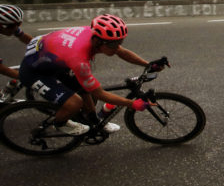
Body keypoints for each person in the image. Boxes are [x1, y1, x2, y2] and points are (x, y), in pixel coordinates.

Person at [19, 14, 160, 135]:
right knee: (75, 103)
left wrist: (148, 64)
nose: (117, 47)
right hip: (33, 71)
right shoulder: (79, 60)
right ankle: (59, 124)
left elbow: (121, 52)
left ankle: (93, 120)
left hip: (54, 59)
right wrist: (132, 103)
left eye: (120, 41)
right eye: (112, 44)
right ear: (97, 41)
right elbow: (100, 94)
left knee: (87, 92)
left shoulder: (95, 34)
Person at [0, 4, 33, 80]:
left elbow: (26, 38)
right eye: (12, 26)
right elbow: (2, 69)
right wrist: (28, 79)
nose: (15, 28)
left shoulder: (9, 26)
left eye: (18, 24)